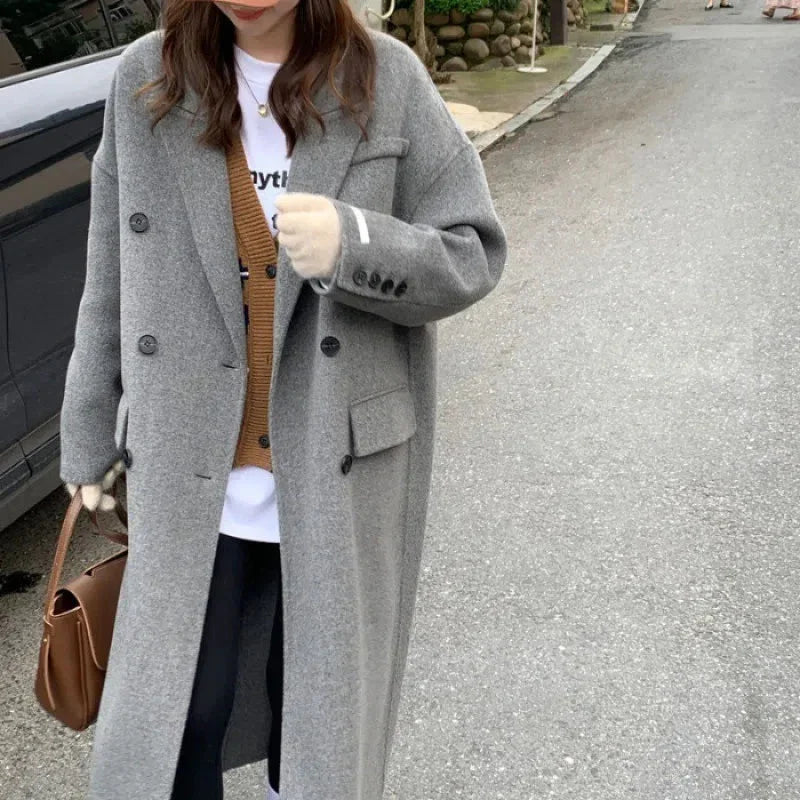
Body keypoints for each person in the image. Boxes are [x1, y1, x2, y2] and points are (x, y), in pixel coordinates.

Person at [59, 0, 507, 798]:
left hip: (338, 465)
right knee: (175, 726)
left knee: (316, 727)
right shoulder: (149, 78)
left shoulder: (385, 77)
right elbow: (109, 273)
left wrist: (356, 246)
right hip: (190, 459)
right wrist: (88, 426)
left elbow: (473, 252)